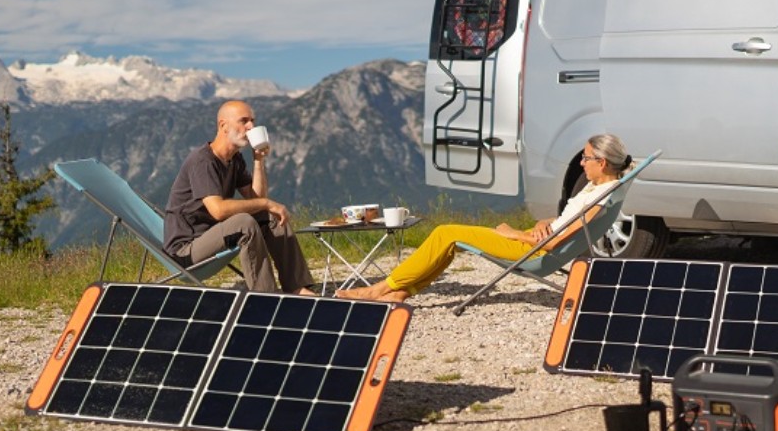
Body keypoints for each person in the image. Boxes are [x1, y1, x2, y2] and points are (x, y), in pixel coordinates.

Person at [338, 134, 633, 303]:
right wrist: (545, 221)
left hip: (531, 250)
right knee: (451, 240)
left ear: (602, 162)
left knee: (445, 233)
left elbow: (555, 241)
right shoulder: (605, 188)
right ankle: (401, 291)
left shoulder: (598, 196)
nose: (581, 164)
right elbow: (566, 223)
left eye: (585, 158)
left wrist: (513, 233)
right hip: (537, 239)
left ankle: (379, 289)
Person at [163, 99, 316, 295]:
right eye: (244, 121)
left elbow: (257, 201)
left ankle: (296, 286)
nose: (251, 126)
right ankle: (266, 297)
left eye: (252, 121)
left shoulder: (234, 159)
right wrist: (267, 203)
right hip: (185, 251)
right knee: (244, 222)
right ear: (223, 126)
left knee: (271, 217)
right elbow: (218, 211)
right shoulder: (203, 161)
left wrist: (258, 161)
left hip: (213, 236)